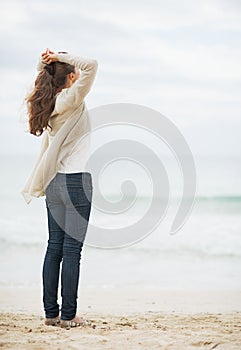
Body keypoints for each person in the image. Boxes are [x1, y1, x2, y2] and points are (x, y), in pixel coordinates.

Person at [22, 48, 98, 328]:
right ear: (69, 78)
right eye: (73, 74)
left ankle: (51, 314)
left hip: (54, 183)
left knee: (54, 247)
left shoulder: (47, 102)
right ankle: (69, 316)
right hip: (77, 182)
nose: (78, 75)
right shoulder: (71, 98)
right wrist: (60, 54)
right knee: (71, 251)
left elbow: (46, 78)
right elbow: (91, 63)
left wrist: (46, 62)